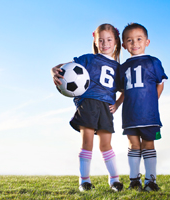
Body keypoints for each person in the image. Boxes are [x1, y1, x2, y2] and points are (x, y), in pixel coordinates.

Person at [51, 23, 124, 192]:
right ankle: (84, 180)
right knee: (87, 143)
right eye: (101, 40)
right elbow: (64, 68)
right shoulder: (88, 59)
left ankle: (114, 180)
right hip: (88, 104)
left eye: (109, 40)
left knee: (106, 145)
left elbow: (125, 90)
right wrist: (52, 70)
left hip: (106, 107)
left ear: (115, 41)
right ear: (95, 40)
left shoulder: (118, 68)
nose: (105, 43)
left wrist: (118, 104)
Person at [113, 23, 168, 192]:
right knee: (133, 145)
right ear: (123, 45)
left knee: (148, 145)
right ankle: (134, 180)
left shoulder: (153, 62)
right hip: (130, 115)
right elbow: (123, 91)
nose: (134, 43)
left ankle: (150, 181)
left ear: (147, 42)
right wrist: (116, 104)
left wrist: (153, 100)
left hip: (149, 115)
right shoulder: (122, 67)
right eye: (129, 40)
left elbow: (160, 84)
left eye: (139, 39)